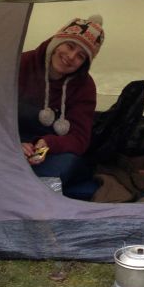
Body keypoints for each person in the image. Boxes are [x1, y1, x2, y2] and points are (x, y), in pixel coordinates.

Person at [18, 14, 105, 199]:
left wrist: (48, 144)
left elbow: (80, 139)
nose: (70, 57)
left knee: (67, 164)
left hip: (49, 152)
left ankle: (36, 207)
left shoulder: (85, 87)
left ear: (84, 64)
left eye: (81, 56)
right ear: (57, 41)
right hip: (10, 141)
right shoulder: (22, 64)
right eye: (70, 46)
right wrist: (13, 142)